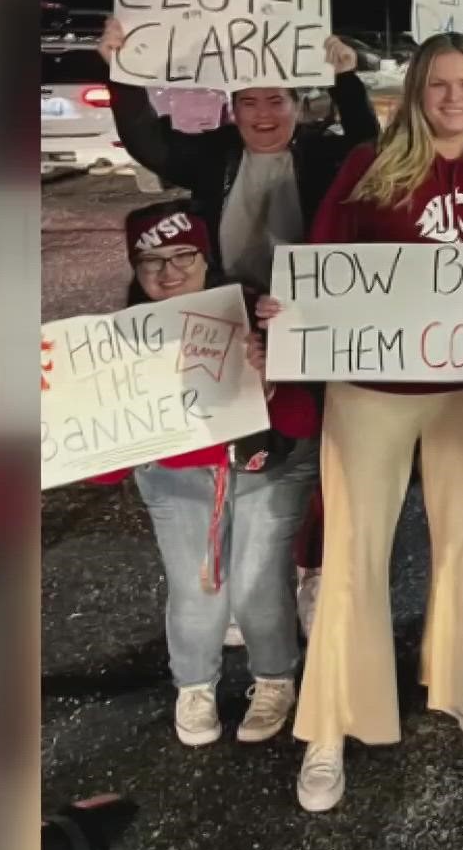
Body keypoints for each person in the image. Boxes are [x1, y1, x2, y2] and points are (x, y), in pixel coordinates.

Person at [262, 32, 463, 813]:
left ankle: (461, 680)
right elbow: (321, 263)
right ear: (416, 92)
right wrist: (292, 311)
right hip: (370, 388)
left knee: (459, 541)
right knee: (352, 553)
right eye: (439, 84)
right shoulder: (367, 167)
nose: (453, 97)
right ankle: (331, 724)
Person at [87, 201, 318, 748]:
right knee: (195, 590)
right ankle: (194, 685)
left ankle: (274, 679)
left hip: (268, 466)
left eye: (182, 256)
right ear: (134, 271)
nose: (168, 272)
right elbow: (104, 469)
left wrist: (272, 375)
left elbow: (304, 419)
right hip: (178, 477)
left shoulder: (253, 312)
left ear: (205, 256)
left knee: (260, 582)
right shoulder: (119, 338)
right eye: (150, 262)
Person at [97, 19, 379, 293]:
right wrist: (123, 76)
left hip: (305, 302)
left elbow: (367, 147)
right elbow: (149, 144)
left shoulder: (323, 155)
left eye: (276, 101)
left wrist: (345, 79)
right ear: (234, 111)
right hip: (228, 303)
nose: (263, 113)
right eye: (248, 102)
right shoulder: (212, 154)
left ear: (298, 108)